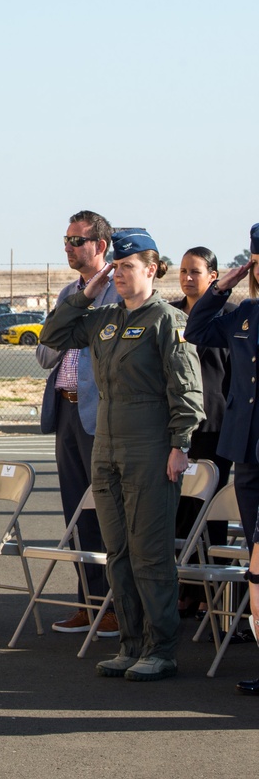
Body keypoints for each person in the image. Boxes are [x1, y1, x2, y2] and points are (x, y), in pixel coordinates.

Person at [40, 228, 204, 681]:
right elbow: (53, 335)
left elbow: (187, 389)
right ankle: (131, 645)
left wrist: (180, 445)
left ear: (151, 270)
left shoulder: (166, 321)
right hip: (107, 446)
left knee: (150, 554)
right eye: (116, 267)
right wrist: (85, 294)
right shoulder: (104, 318)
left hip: (150, 447)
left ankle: (161, 649)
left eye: (128, 267)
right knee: (118, 553)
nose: (120, 274)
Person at [35, 210, 119, 637]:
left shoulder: (118, 289)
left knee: (106, 513)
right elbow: (45, 353)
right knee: (76, 513)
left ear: (100, 245)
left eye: (76, 241)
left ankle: (115, 606)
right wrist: (67, 319)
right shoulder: (70, 292)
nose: (68, 247)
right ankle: (89, 602)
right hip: (66, 411)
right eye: (66, 240)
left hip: (100, 414)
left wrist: (76, 326)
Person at [184, 224, 259, 694]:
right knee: (256, 557)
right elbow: (196, 330)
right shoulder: (246, 312)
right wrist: (221, 288)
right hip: (246, 450)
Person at [170, 247, 232, 615]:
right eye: (183, 271)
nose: (188, 278)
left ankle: (215, 593)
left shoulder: (229, 316)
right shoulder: (171, 314)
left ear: (213, 276)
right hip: (178, 424)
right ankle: (188, 588)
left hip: (214, 426)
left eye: (195, 271)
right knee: (181, 508)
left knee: (210, 511)